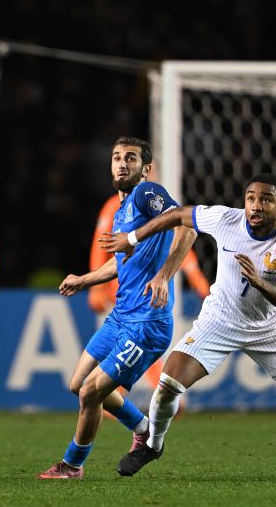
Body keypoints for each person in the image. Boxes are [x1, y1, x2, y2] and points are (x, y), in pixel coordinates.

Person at [102, 173, 276, 480]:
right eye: (251, 198)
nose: (256, 206)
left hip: (267, 329)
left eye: (266, 199)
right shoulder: (224, 219)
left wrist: (260, 284)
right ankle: (152, 445)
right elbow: (177, 215)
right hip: (218, 321)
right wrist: (133, 238)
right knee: (167, 386)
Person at [37, 137, 197, 480]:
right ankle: (143, 430)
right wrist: (86, 279)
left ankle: (72, 465)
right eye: (116, 157)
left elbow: (188, 225)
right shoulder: (122, 209)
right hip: (121, 316)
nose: (122, 163)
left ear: (146, 168)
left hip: (146, 322)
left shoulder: (144, 194)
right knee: (78, 384)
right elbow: (121, 263)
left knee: (92, 392)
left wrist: (164, 275)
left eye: (131, 158)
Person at [87, 191, 210, 396]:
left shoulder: (156, 201)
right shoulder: (114, 206)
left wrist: (196, 277)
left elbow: (179, 235)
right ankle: (138, 396)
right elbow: (101, 243)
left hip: (146, 288)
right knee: (127, 346)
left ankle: (148, 396)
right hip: (120, 288)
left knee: (133, 344)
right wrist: (96, 286)